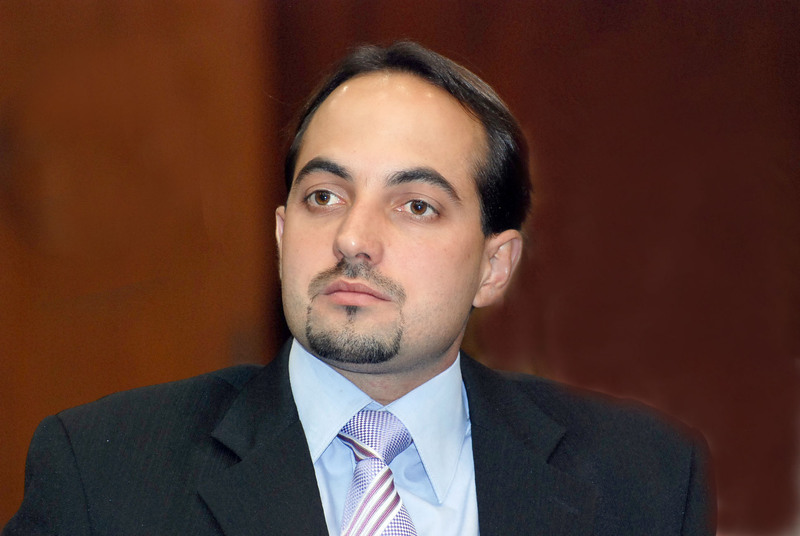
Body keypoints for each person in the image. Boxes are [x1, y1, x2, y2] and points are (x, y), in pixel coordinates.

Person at [4, 41, 714, 536]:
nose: (352, 237)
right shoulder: (102, 474)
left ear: (494, 267)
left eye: (416, 205)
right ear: (282, 235)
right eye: (324, 196)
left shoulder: (644, 481)